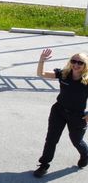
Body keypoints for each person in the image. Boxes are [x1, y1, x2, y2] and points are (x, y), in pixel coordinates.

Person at [33, 49, 88, 178]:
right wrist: (42, 60)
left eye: (80, 63)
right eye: (73, 61)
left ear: (85, 65)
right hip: (59, 111)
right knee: (51, 139)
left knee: (76, 141)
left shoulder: (86, 81)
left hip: (77, 115)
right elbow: (41, 73)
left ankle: (85, 154)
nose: (76, 65)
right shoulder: (64, 74)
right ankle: (44, 165)